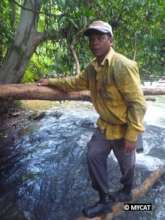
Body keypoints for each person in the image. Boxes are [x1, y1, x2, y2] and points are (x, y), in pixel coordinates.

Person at [38, 20, 146, 218]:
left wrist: (132, 135)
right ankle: (104, 200)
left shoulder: (123, 65)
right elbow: (74, 82)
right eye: (92, 39)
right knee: (93, 155)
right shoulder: (92, 68)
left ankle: (126, 190)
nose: (95, 43)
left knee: (127, 164)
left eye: (100, 38)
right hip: (105, 126)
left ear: (110, 40)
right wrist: (51, 81)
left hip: (126, 126)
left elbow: (138, 104)